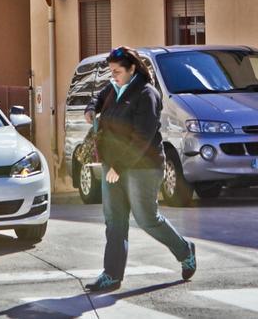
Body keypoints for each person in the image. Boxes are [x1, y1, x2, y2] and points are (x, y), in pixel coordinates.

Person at [82, 46, 196, 293]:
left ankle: (185, 251)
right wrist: (91, 109)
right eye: (111, 72)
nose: (113, 76)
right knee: (114, 221)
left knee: (147, 219)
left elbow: (141, 138)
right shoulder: (114, 88)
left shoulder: (147, 94)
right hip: (114, 165)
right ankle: (111, 275)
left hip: (142, 167)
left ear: (132, 69)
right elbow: (97, 98)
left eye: (117, 71)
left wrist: (119, 166)